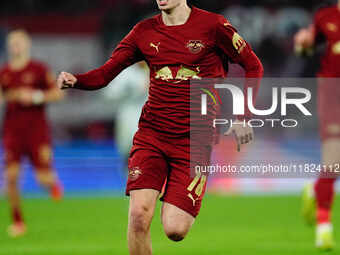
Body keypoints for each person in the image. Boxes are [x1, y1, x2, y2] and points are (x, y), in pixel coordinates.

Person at [57, 1, 263, 254]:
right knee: (138, 216)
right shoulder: (144, 32)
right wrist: (77, 80)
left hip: (194, 139)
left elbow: (254, 65)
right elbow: (106, 73)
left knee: (175, 229)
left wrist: (243, 117)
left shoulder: (214, 26)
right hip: (151, 135)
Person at [0, 30, 64, 237]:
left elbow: (57, 94)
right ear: (9, 47)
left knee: (42, 179)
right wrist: (10, 96)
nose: (16, 46)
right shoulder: (4, 73)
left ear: (26, 45)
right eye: (13, 43)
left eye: (19, 42)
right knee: (11, 177)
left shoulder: (38, 69)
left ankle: (52, 184)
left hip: (37, 132)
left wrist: (35, 96)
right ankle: (18, 222)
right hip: (12, 132)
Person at [294, 3, 340, 251]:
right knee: (333, 162)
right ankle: (324, 228)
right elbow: (306, 50)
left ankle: (314, 189)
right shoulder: (325, 16)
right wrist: (302, 44)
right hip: (332, 95)